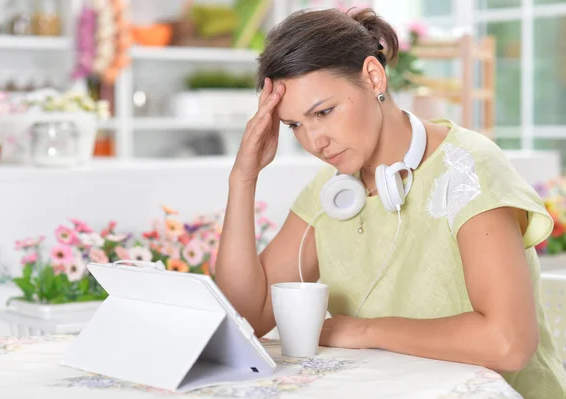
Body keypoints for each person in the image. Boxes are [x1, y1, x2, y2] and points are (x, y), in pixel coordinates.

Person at [214, 7, 566, 399]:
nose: (315, 141)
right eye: (294, 125)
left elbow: (509, 343)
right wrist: (243, 178)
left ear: (373, 76)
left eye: (324, 112)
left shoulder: (469, 169)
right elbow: (248, 317)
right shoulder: (332, 192)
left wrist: (363, 330)